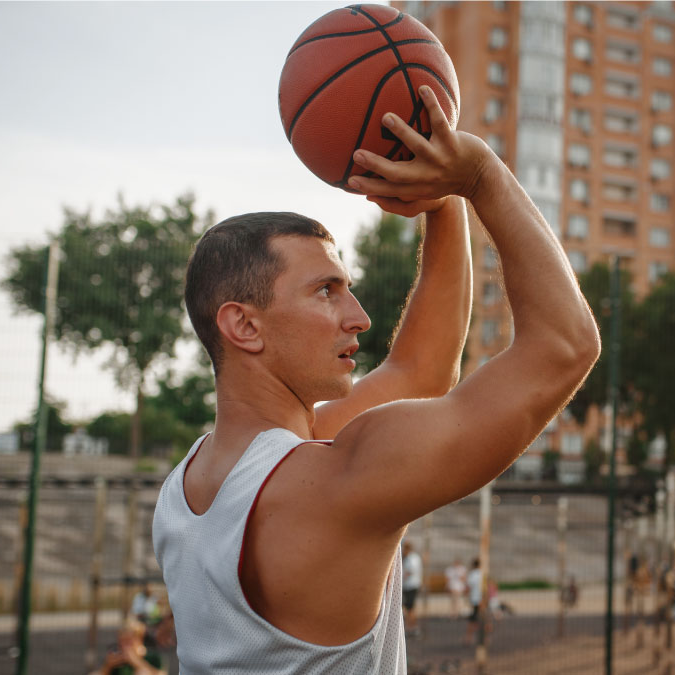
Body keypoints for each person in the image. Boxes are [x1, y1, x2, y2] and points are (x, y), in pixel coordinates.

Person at [153, 84, 600, 674]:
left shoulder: (188, 487)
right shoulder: (334, 482)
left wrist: (442, 204)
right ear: (243, 324)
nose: (358, 316)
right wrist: (480, 176)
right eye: (326, 291)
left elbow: (420, 373)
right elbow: (564, 347)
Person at [94, 620, 165, 675]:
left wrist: (137, 663)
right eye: (121, 642)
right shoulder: (117, 660)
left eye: (128, 641)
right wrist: (107, 667)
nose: (124, 646)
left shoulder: (153, 657)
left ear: (140, 639)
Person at [400, 542, 422, 636]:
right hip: (413, 585)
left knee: (410, 608)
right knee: (410, 608)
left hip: (410, 585)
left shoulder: (410, 558)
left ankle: (413, 627)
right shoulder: (416, 557)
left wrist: (399, 579)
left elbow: (409, 572)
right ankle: (410, 627)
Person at [464, 559, 484, 646]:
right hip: (483, 599)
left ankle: (469, 638)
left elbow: (468, 587)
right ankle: (484, 638)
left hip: (475, 599)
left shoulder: (472, 574)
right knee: (481, 618)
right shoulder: (483, 573)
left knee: (473, 620)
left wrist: (466, 596)